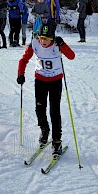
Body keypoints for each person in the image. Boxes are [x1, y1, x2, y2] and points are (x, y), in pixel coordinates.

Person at [17, 20, 75, 156]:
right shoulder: (35, 44)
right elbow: (23, 60)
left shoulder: (57, 44)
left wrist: (63, 45)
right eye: (41, 38)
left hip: (55, 81)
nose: (43, 42)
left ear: (52, 38)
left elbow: (72, 56)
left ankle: (56, 141)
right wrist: (20, 73)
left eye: (46, 39)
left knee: (55, 111)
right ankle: (44, 129)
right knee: (40, 108)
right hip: (40, 80)